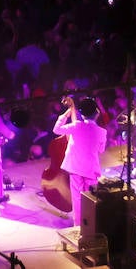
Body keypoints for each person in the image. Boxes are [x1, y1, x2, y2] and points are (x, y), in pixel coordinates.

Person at [53, 96, 106, 228]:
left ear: (81, 113)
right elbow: (101, 150)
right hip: (90, 170)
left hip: (75, 168)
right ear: (97, 112)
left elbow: (56, 129)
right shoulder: (101, 132)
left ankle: (78, 227)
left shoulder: (76, 126)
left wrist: (69, 111)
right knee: (91, 199)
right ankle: (91, 227)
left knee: (77, 198)